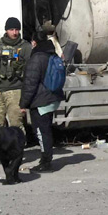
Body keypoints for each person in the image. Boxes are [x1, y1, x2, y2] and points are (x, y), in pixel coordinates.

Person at [20, 30, 63, 171]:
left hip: (40, 101)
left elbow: (30, 84)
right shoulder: (52, 53)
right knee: (46, 130)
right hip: (51, 98)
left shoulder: (36, 57)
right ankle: (46, 159)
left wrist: (23, 104)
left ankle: (46, 163)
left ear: (33, 42)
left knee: (41, 132)